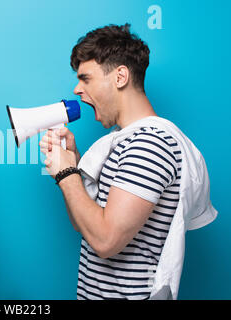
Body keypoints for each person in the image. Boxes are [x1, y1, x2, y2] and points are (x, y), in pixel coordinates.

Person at [39, 24, 216, 300]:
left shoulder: (150, 143)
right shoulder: (123, 141)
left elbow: (105, 241)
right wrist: (71, 165)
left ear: (120, 76)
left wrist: (67, 174)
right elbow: (83, 225)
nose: (76, 89)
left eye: (86, 78)